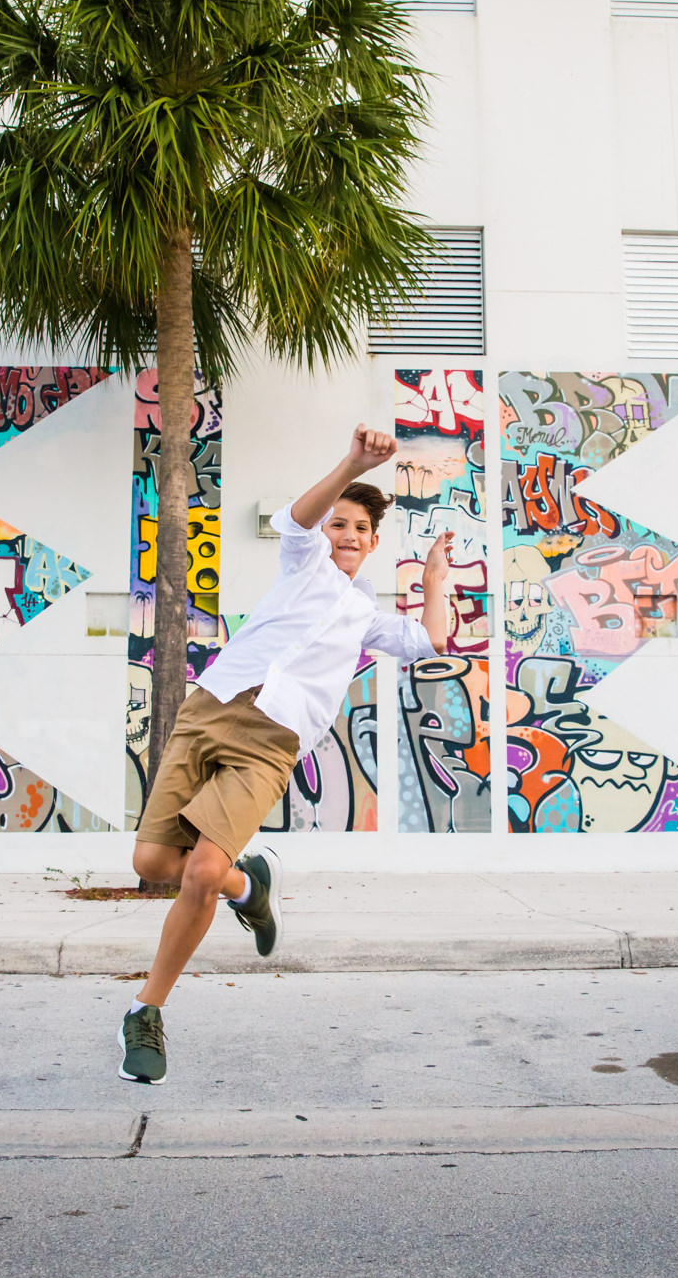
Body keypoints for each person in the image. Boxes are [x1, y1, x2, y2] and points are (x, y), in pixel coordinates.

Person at [118, 424, 453, 1084]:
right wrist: (353, 463)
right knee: (152, 860)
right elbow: (298, 517)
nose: (348, 534)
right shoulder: (304, 564)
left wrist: (437, 577)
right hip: (209, 708)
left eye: (360, 528)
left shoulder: (366, 615)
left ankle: (145, 1010)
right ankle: (251, 886)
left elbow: (428, 638)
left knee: (200, 870)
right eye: (339, 525)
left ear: (374, 542)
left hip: (271, 743)